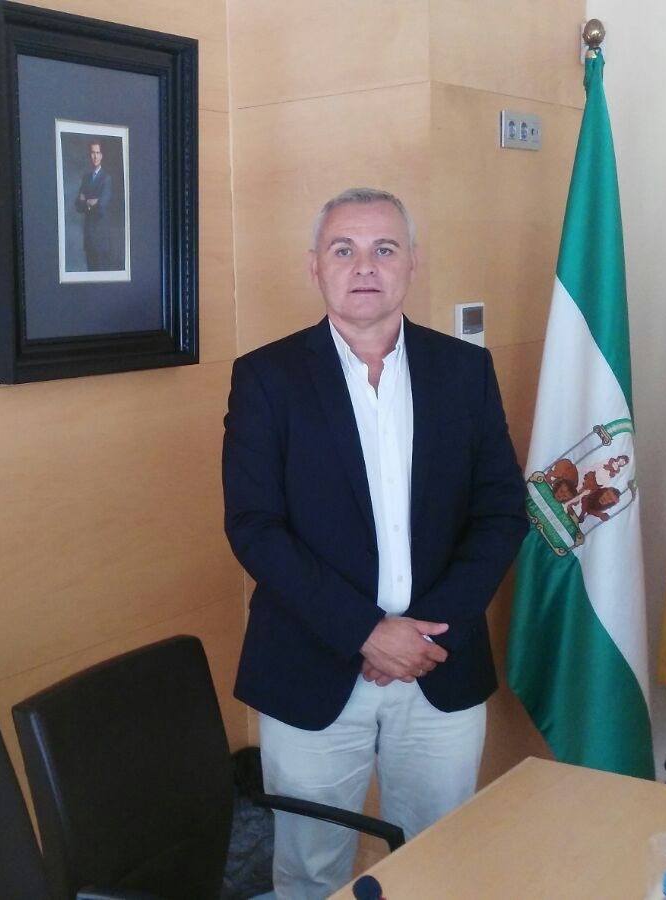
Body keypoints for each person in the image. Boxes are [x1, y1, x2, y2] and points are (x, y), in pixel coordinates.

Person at [222, 187, 527, 899]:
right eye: (344, 249)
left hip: (437, 665)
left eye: (383, 249)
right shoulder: (266, 377)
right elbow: (254, 526)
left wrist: (423, 633)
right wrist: (365, 631)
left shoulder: (464, 371)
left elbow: (501, 511)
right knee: (309, 870)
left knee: (438, 862)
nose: (364, 266)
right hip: (310, 663)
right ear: (315, 266)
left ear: (412, 262)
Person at [73, 140, 114, 270]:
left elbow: (101, 207)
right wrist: (91, 202)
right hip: (89, 238)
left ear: (101, 156)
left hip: (101, 239)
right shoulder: (85, 178)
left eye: (97, 153)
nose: (95, 156)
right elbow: (77, 205)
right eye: (92, 153)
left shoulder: (106, 178)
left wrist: (86, 201)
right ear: (89, 155)